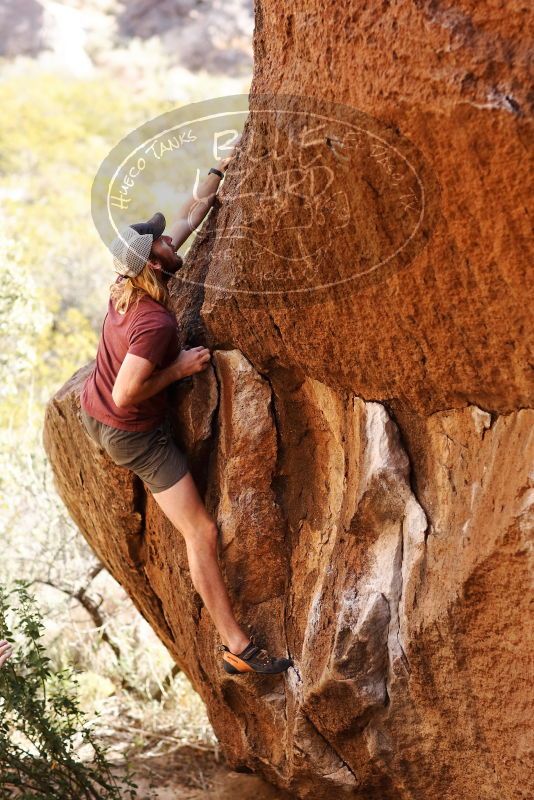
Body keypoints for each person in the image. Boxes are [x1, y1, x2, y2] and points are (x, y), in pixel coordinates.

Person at [80, 146, 292, 676]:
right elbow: (130, 393)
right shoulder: (154, 324)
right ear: (154, 261)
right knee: (201, 533)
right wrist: (179, 369)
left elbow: (186, 218)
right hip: (130, 431)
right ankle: (236, 647)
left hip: (96, 410)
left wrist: (219, 173)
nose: (169, 238)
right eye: (159, 241)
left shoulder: (130, 284)